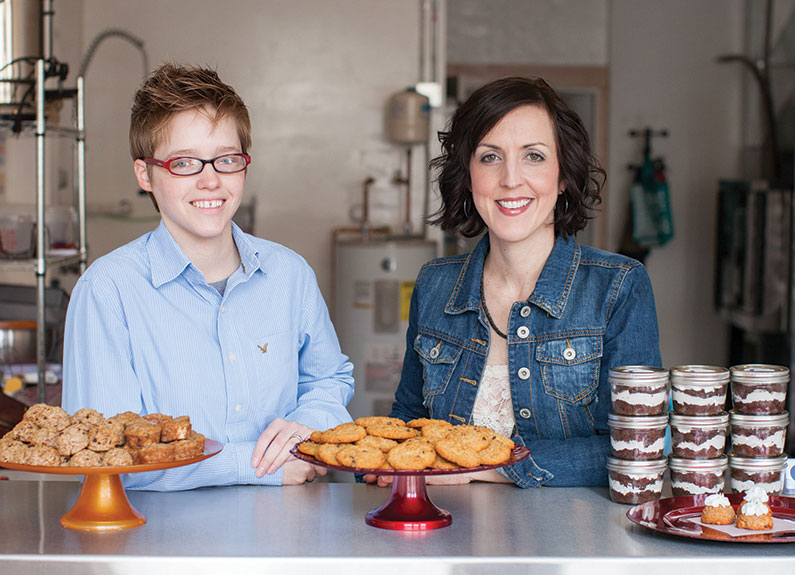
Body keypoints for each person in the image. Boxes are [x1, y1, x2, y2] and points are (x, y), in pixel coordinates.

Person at [62, 63, 354, 490]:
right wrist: (255, 465)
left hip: (290, 535)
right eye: (184, 163)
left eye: (227, 159)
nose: (211, 180)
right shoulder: (108, 290)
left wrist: (308, 427)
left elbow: (328, 378)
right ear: (145, 174)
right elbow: (107, 455)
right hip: (156, 544)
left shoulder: (289, 275)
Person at [386, 77, 662, 487]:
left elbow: (638, 446)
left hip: (574, 543)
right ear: (468, 176)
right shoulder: (435, 285)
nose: (511, 179)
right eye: (490, 157)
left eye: (533, 156)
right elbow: (406, 425)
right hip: (445, 536)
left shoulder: (618, 287)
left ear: (563, 175)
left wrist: (485, 468)